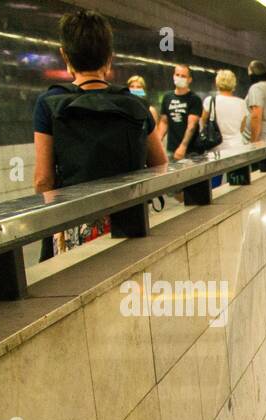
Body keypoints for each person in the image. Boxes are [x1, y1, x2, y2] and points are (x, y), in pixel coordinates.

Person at [33, 9, 164, 259]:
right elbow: (160, 165)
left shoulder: (48, 103)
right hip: (131, 221)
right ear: (109, 58)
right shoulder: (135, 104)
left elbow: (43, 180)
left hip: (76, 225)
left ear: (65, 55)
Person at [158, 64, 202, 160]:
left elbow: (191, 126)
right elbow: (164, 121)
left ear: (189, 79)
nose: (179, 78)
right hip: (171, 149)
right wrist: (159, 140)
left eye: (183, 76)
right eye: (177, 75)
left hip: (191, 151)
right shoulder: (167, 97)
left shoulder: (194, 99)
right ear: (173, 76)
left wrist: (183, 146)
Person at [200, 69, 248, 149]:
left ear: (217, 83)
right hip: (237, 147)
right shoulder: (242, 103)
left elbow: (203, 122)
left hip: (216, 147)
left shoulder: (210, 101)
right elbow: (242, 127)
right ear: (234, 84)